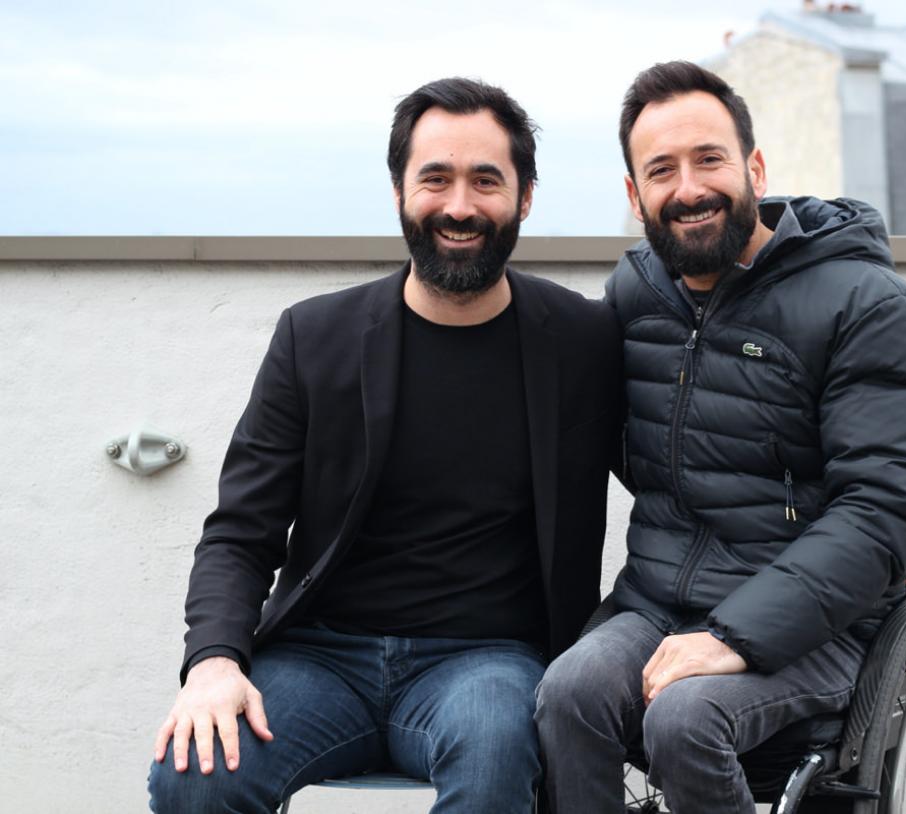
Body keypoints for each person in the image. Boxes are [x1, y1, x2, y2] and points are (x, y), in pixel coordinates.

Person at [147, 77, 622, 813]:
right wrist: (213, 661)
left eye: (485, 181)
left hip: (485, 662)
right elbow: (241, 532)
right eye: (435, 178)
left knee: (500, 757)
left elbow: (680, 473)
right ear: (399, 190)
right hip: (318, 658)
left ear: (525, 197)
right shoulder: (314, 338)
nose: (459, 206)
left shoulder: (586, 342)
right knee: (195, 773)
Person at [535, 61, 906, 813]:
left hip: (822, 628)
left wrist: (738, 634)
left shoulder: (871, 307)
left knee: (686, 717)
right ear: (636, 197)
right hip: (657, 602)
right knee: (566, 693)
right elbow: (625, 446)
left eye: (709, 159)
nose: (688, 188)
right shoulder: (635, 294)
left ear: (754, 167)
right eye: (661, 170)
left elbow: (883, 504)